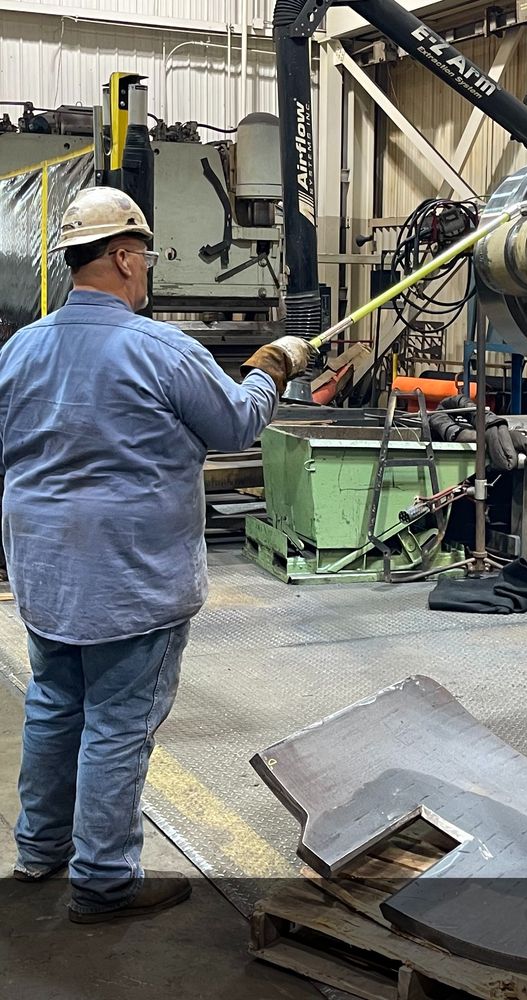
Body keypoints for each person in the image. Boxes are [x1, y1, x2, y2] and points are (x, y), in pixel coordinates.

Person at [0, 186, 312, 923]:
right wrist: (274, 364)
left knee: (54, 704)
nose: (148, 270)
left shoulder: (20, 348)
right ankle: (104, 881)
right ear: (123, 257)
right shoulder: (161, 349)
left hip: (44, 570)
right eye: (145, 256)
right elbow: (235, 425)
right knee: (117, 724)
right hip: (129, 577)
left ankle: (39, 851)